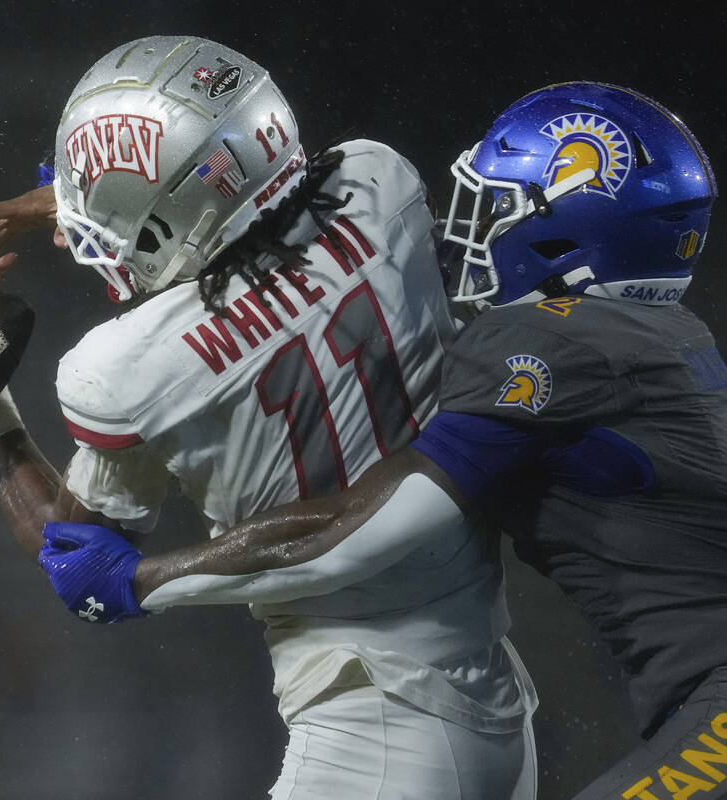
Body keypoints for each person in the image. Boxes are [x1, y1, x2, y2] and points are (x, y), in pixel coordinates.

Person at [45, 81, 726, 800]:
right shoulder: (644, 339)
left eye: (496, 205)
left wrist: (142, 579)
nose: (467, 228)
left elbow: (360, 528)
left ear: (562, 231)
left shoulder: (546, 346)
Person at [0, 35, 536, 800]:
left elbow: (77, 557)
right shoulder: (381, 183)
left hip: (367, 716)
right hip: (484, 678)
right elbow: (251, 188)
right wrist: (98, 195)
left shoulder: (126, 365)